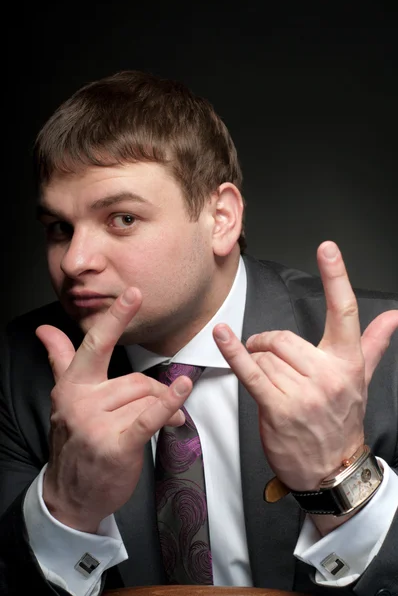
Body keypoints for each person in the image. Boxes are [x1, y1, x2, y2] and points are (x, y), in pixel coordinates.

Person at [0, 70, 397, 596]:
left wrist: (338, 474)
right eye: (58, 228)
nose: (74, 261)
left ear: (221, 218)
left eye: (121, 218)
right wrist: (67, 506)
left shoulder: (381, 355)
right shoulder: (16, 370)